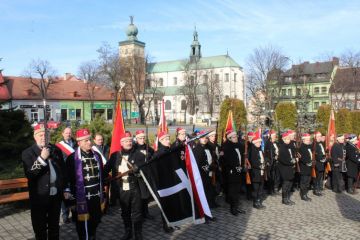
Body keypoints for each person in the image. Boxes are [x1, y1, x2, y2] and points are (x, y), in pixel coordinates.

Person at [22, 124, 66, 240]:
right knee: (40, 230)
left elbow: (63, 171)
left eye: (46, 135)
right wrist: (41, 159)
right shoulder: (28, 153)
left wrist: (65, 188)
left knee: (54, 228)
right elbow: (30, 174)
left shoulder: (56, 150)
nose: (43, 138)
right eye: (40, 135)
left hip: (55, 197)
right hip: (39, 197)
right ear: (35, 137)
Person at [65, 129, 106, 240]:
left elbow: (101, 176)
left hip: (96, 197)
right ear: (79, 143)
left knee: (95, 221)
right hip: (80, 199)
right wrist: (71, 202)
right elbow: (67, 180)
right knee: (82, 227)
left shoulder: (97, 155)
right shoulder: (72, 158)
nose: (89, 142)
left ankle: (92, 236)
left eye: (89, 140)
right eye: (85, 140)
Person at [105, 132, 144, 240]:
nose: (129, 143)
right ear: (121, 143)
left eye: (130, 141)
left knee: (137, 212)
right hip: (121, 188)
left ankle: (138, 233)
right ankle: (128, 232)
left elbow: (145, 171)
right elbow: (106, 169)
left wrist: (138, 170)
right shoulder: (114, 156)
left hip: (135, 187)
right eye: (126, 141)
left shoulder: (139, 155)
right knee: (125, 211)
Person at [192, 130, 218, 220]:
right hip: (201, 177)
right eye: (203, 138)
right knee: (200, 196)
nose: (205, 139)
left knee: (207, 195)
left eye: (206, 138)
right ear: (199, 138)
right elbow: (197, 165)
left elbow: (211, 159)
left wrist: (214, 165)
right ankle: (200, 215)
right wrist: (208, 168)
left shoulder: (209, 148)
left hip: (208, 176)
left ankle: (206, 213)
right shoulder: (196, 150)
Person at [220, 129, 246, 216]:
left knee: (238, 190)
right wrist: (235, 167)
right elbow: (227, 160)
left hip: (239, 171)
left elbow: (241, 157)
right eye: (234, 137)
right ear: (230, 138)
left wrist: (241, 166)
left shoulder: (239, 145)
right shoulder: (226, 147)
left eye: (236, 136)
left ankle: (236, 206)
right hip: (231, 172)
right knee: (232, 191)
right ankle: (233, 208)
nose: (236, 138)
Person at [55, 127, 77, 224]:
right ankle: (65, 216)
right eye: (66, 133)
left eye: (70, 133)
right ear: (63, 134)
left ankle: (75, 214)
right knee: (65, 194)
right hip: (64, 173)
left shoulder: (76, 144)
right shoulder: (59, 146)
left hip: (75, 173)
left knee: (74, 193)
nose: (68, 134)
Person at [134, 130, 155, 220]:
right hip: (138, 175)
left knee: (146, 194)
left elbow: (154, 156)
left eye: (143, 138)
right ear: (137, 138)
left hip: (146, 174)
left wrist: (149, 156)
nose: (142, 140)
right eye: (140, 138)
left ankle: (146, 212)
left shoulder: (147, 147)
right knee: (140, 196)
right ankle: (140, 214)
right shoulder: (134, 148)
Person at [278, 131, 296, 205]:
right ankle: (284, 199)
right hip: (285, 168)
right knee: (286, 184)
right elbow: (283, 159)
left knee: (290, 183)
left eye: (289, 139)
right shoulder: (282, 147)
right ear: (284, 139)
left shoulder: (290, 146)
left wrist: (295, 159)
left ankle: (288, 197)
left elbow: (292, 155)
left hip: (291, 167)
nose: (289, 140)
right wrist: (291, 162)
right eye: (287, 139)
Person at [249, 131, 266, 209]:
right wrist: (260, 166)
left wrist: (265, 162)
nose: (259, 144)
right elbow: (253, 161)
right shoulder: (252, 150)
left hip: (262, 171)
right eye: (258, 142)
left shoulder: (260, 150)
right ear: (254, 143)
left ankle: (259, 200)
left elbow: (263, 158)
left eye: (260, 142)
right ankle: (255, 202)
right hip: (255, 172)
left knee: (261, 187)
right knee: (256, 188)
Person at [264, 130, 280, 195]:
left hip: (277, 162)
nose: (275, 137)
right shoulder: (267, 143)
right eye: (273, 136)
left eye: (275, 136)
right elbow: (266, 153)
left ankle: (275, 188)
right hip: (270, 162)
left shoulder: (276, 143)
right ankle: (270, 190)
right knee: (271, 176)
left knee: (276, 176)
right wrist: (272, 158)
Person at [298, 133, 313, 201]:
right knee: (304, 181)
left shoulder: (309, 146)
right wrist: (307, 162)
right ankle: (303, 195)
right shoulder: (302, 147)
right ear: (303, 140)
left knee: (308, 181)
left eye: (309, 140)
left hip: (309, 167)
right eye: (307, 140)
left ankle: (305, 193)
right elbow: (302, 158)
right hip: (304, 167)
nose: (308, 141)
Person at [314, 131, 326, 196]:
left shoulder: (321, 143)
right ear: (315, 137)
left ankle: (319, 188)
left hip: (322, 162)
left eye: (320, 136)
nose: (319, 137)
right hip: (317, 163)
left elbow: (322, 152)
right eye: (318, 136)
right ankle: (316, 190)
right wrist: (320, 159)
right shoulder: (314, 144)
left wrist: (324, 157)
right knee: (317, 177)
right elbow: (315, 154)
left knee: (320, 176)